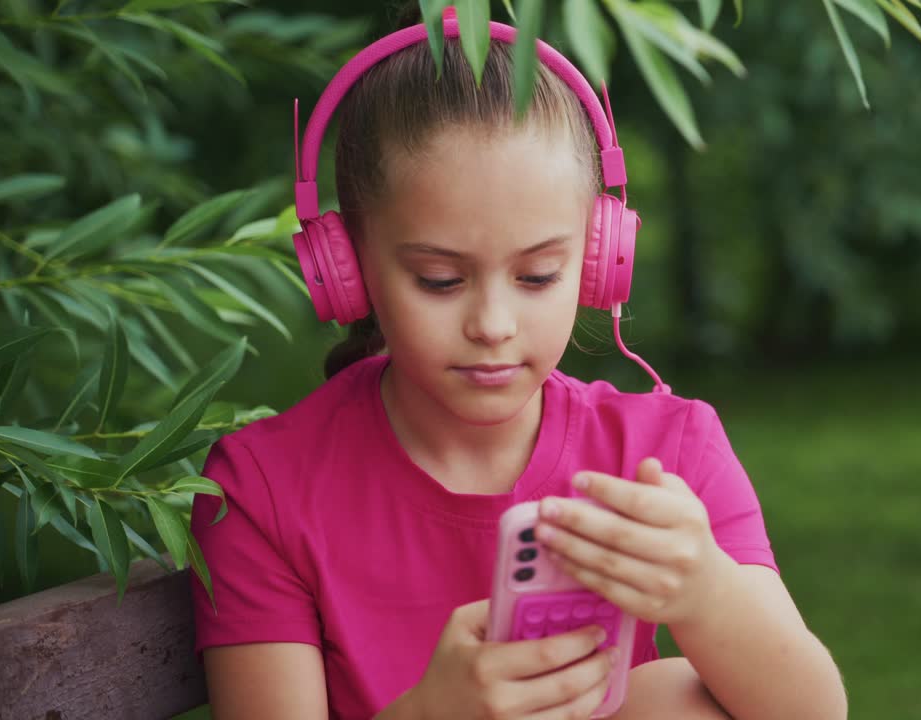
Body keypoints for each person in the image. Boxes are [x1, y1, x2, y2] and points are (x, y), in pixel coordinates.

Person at [190, 5, 846, 719]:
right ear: (347, 267)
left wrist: (705, 590)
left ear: (599, 259)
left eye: (537, 277)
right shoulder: (263, 491)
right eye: (440, 280)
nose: (493, 327)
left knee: (671, 699)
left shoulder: (667, 451)